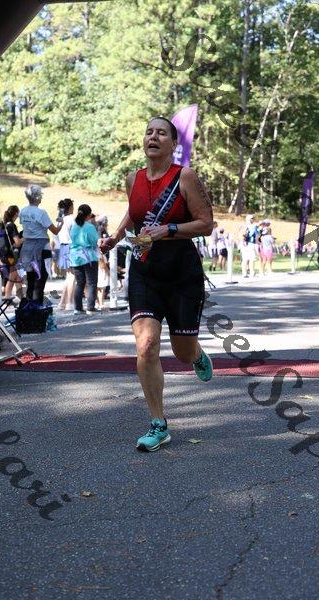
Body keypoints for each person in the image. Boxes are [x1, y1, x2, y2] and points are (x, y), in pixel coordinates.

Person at [100, 116, 214, 452]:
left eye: (161, 132)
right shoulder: (132, 178)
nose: (153, 136)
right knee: (146, 344)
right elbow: (135, 213)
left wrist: (170, 230)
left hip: (182, 274)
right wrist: (115, 236)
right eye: (149, 131)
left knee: (182, 352)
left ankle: (196, 353)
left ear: (173, 144)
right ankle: (158, 424)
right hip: (144, 270)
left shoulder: (185, 177)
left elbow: (206, 223)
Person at [19, 185, 62, 304]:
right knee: (41, 278)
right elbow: (55, 231)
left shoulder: (23, 211)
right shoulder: (41, 213)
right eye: (41, 195)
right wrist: (60, 223)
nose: (41, 197)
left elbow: (25, 226)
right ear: (37, 197)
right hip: (42, 247)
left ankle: (29, 306)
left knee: (30, 278)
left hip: (27, 248)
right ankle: (37, 306)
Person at [70, 204, 99, 315]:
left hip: (75, 257)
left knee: (80, 283)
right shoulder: (89, 227)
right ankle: (90, 308)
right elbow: (95, 241)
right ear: (88, 215)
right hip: (89, 256)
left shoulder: (74, 226)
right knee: (91, 283)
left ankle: (78, 308)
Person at [55, 199, 76, 310]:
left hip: (63, 247)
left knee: (68, 276)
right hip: (71, 247)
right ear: (70, 207)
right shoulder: (71, 219)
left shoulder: (60, 220)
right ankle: (69, 302)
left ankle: (62, 302)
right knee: (72, 276)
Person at [2, 205, 24, 299]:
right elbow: (17, 242)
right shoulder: (11, 225)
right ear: (16, 213)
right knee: (13, 276)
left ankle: (21, 297)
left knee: (17, 277)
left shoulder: (6, 224)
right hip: (11, 256)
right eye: (18, 213)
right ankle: (7, 297)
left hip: (7, 254)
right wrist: (26, 237)